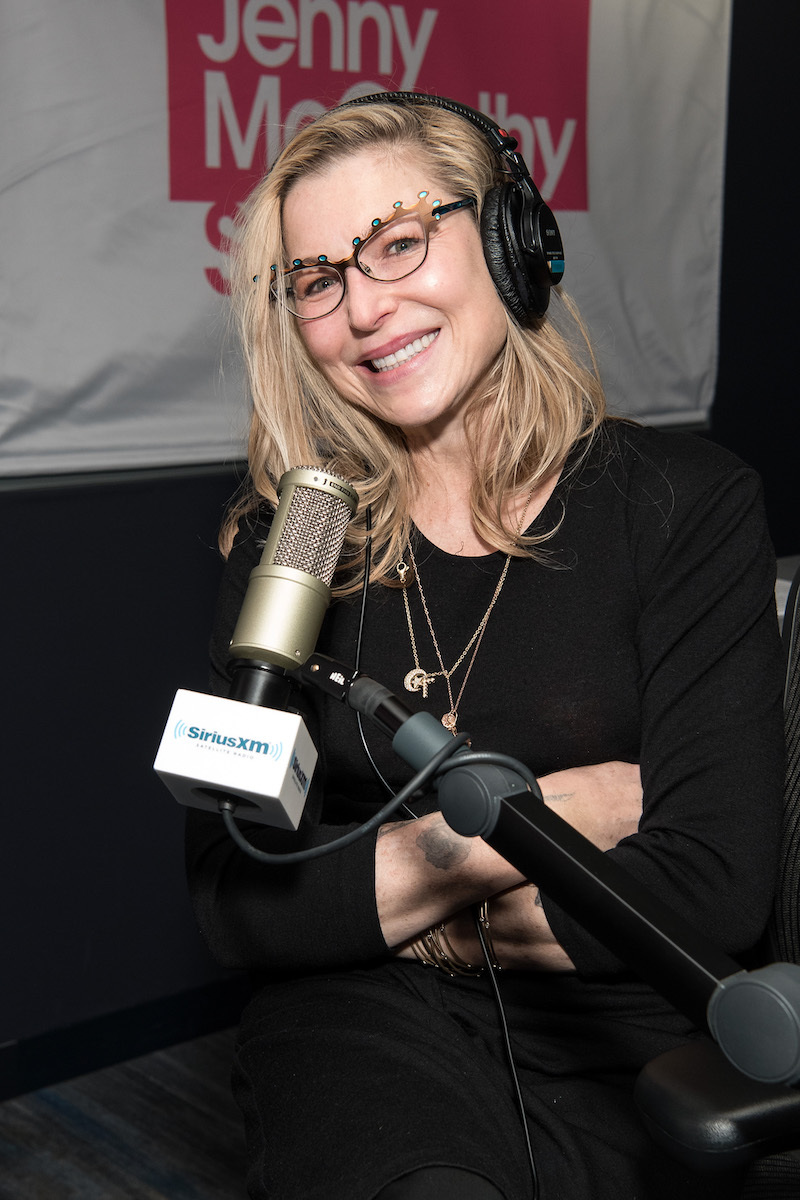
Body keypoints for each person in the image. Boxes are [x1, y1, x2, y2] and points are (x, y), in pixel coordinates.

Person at [184, 94, 786, 1200]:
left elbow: (708, 893)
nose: (365, 307)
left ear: (509, 240)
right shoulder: (294, 539)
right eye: (318, 279)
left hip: (628, 1031)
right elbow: (238, 895)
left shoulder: (682, 505)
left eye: (397, 242)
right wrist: (504, 835)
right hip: (362, 1024)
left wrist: (384, 904)